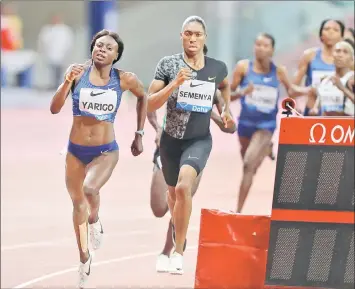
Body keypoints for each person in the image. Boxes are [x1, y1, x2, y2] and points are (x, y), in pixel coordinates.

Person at [49, 29, 147, 288]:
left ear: (116, 56)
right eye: (99, 45)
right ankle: (83, 259)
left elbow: (143, 97)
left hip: (105, 150)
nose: (102, 49)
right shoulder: (77, 73)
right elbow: (54, 108)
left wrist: (139, 133)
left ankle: (95, 220)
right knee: (77, 205)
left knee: (90, 189)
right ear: (92, 49)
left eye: (108, 47)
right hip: (75, 151)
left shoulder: (124, 79)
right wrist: (65, 82)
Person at [147, 15, 235, 274]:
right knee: (171, 198)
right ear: (182, 36)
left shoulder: (216, 68)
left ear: (204, 37)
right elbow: (150, 103)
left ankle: (178, 250)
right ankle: (172, 245)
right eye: (188, 34)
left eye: (198, 34)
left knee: (185, 188)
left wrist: (226, 110)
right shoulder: (168, 65)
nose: (193, 38)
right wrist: (175, 83)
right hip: (170, 142)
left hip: (198, 140)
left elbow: (225, 86)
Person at [230, 33, 311, 213]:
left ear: (272, 49)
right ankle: (266, 149)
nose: (260, 48)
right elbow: (229, 94)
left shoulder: (279, 70)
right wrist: (244, 92)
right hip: (245, 124)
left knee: (248, 165)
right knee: (249, 162)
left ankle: (238, 211)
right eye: (258, 44)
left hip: (266, 126)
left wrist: (308, 90)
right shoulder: (243, 68)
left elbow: (291, 91)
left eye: (265, 45)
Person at [292, 19, 345, 116]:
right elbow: (293, 87)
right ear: (321, 35)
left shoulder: (348, 60)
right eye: (327, 29)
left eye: (335, 30)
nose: (331, 32)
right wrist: (297, 106)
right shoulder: (309, 56)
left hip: (338, 114)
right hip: (313, 112)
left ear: (342, 37)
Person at [309, 40, 354, 116]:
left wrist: (343, 88)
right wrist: (314, 111)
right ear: (332, 56)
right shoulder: (325, 80)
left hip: (347, 126)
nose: (340, 55)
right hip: (326, 126)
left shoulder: (352, 79)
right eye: (337, 51)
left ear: (352, 59)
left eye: (345, 52)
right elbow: (317, 107)